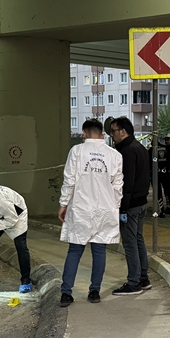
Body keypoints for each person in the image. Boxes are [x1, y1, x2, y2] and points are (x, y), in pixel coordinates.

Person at [58, 119, 123, 307]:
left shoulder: (77, 152)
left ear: (84, 133)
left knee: (75, 250)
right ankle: (94, 291)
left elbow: (69, 180)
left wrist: (63, 204)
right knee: (99, 250)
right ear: (101, 133)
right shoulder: (114, 155)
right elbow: (118, 185)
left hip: (80, 207)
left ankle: (66, 292)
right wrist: (114, 206)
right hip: (104, 208)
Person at [107, 116, 151, 296]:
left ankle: (134, 283)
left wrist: (122, 207)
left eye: (113, 131)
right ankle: (143, 278)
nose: (111, 135)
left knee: (130, 243)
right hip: (141, 203)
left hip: (131, 206)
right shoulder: (140, 148)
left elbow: (126, 182)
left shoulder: (126, 152)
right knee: (138, 239)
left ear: (123, 132)